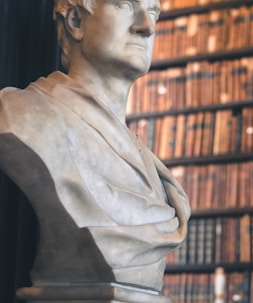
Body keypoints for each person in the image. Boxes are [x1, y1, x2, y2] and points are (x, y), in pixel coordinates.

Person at [0, 0, 190, 302]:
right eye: (126, 4)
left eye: (153, 12)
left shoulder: (151, 168)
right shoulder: (20, 116)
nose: (147, 27)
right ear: (76, 21)